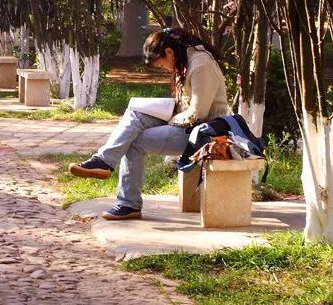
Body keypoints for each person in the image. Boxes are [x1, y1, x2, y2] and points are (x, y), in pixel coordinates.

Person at [69, 27, 230, 220]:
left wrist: (170, 118)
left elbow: (198, 113)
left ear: (169, 52)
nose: (163, 69)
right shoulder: (186, 58)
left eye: (161, 64)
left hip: (205, 134)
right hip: (189, 125)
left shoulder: (200, 65)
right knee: (135, 114)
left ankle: (128, 203)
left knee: (134, 142)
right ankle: (103, 162)